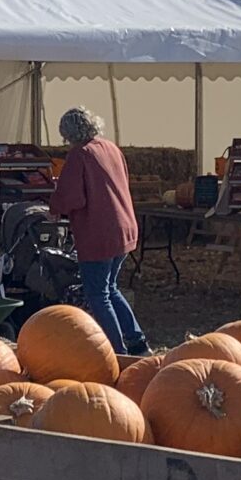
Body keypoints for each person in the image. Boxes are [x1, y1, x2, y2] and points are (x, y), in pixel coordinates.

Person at [49, 105, 149, 355]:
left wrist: (53, 203)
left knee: (98, 294)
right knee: (111, 288)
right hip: (124, 228)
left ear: (68, 134)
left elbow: (73, 198)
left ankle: (117, 351)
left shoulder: (79, 155)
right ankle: (137, 341)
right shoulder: (110, 148)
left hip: (99, 233)